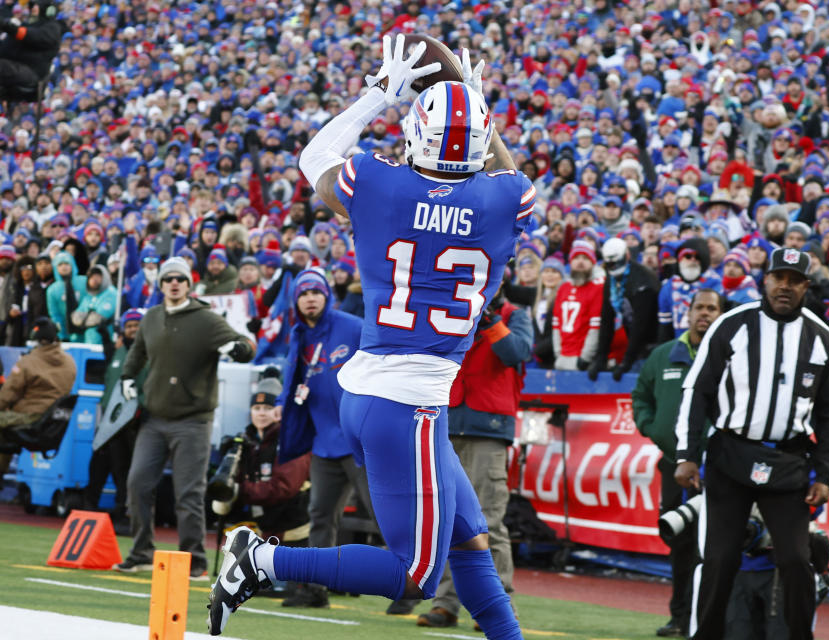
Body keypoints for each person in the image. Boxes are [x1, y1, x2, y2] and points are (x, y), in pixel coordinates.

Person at [208, 39, 529, 640]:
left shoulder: (379, 186)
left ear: (415, 138)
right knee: (415, 574)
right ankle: (262, 561)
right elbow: (505, 172)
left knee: (470, 537)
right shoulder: (503, 199)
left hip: (370, 390)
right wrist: (475, 105)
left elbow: (314, 156)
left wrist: (379, 96)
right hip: (408, 405)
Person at [674, 247, 829, 640]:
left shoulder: (823, 339)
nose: (785, 286)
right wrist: (687, 455)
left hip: (788, 460)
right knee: (718, 560)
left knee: (796, 560)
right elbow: (697, 390)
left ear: (806, 285)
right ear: (765, 279)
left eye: (794, 280)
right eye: (778, 277)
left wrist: (826, 474)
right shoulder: (732, 324)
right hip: (730, 455)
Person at [114, 257, 255, 579]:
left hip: (193, 421)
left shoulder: (205, 319)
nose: (174, 283)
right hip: (154, 418)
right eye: (168, 279)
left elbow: (246, 345)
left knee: (188, 493)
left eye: (180, 278)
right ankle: (141, 552)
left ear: (189, 284)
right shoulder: (150, 317)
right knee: (137, 484)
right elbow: (137, 353)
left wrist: (237, 348)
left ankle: (194, 560)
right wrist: (126, 377)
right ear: (161, 285)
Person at [416, 284, 532, 628]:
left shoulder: (515, 315)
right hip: (448, 424)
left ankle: (498, 604)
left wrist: (492, 320)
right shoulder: (456, 313)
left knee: (488, 521)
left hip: (489, 429)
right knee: (448, 521)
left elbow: (516, 352)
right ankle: (447, 603)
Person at [271, 267, 368, 608]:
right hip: (324, 443)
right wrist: (282, 407)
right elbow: (291, 383)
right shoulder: (297, 335)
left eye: (316, 292)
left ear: (327, 296)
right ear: (295, 301)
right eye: (303, 293)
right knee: (321, 518)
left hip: (362, 442)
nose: (310, 298)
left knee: (386, 518)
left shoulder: (353, 326)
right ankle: (314, 589)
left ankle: (411, 588)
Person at [631, 288, 723, 638]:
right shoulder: (662, 356)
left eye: (712, 308)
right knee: (680, 543)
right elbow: (640, 395)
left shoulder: (727, 354)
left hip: (718, 467)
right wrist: (650, 426)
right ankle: (680, 617)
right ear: (688, 313)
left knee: (715, 544)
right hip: (673, 465)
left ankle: (710, 618)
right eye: (699, 307)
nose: (705, 313)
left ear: (720, 314)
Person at [212, 372, 312, 546]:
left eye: (268, 408)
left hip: (295, 533)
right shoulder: (245, 442)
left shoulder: (292, 439)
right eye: (257, 408)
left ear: (279, 410)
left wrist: (238, 490)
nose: (262, 414)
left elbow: (283, 488)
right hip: (263, 530)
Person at [83, 308, 145, 531]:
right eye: (129, 326)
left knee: (123, 469)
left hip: (131, 422)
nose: (133, 330)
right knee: (99, 461)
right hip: (110, 419)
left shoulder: (149, 353)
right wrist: (102, 332)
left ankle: (123, 514)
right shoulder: (117, 353)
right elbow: (108, 352)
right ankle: (88, 508)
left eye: (137, 326)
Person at [0, 317, 76, 477]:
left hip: (30, 418)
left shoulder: (28, 362)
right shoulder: (70, 362)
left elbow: (7, 395)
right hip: (51, 422)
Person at [588, 237, 659, 381]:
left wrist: (627, 360)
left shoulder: (644, 280)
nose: (613, 267)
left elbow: (641, 324)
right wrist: (601, 356)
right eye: (610, 264)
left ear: (626, 256)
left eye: (616, 263)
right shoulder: (611, 278)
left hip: (652, 342)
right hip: (633, 339)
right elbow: (606, 319)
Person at [552, 240, 603, 371]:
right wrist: (558, 353)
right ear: (570, 262)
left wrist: (585, 358)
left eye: (585, 258)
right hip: (562, 357)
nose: (580, 262)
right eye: (576, 258)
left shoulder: (597, 288)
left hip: (581, 359)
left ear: (593, 263)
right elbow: (556, 324)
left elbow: (595, 327)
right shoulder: (563, 287)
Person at [0, 0, 65, 87]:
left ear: (47, 10)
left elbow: (33, 36)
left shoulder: (52, 28)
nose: (32, 8)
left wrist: (7, 26)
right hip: (15, 66)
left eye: (36, 6)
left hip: (33, 73)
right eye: (32, 6)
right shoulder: (28, 25)